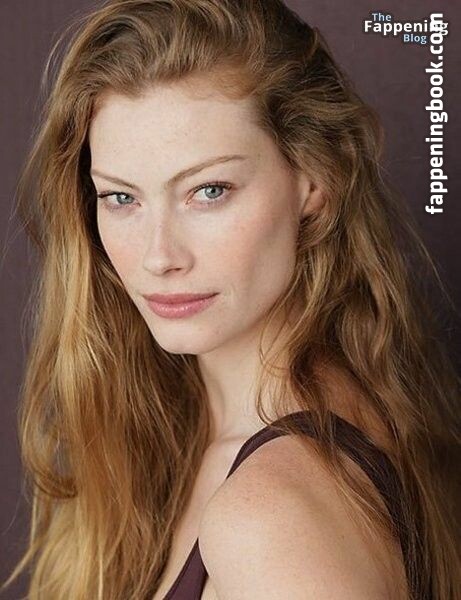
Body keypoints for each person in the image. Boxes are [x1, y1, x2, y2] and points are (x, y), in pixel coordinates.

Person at [3, 0, 460, 598]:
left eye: (209, 190)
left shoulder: (271, 518)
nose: (159, 256)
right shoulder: (194, 439)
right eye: (121, 198)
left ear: (313, 180)